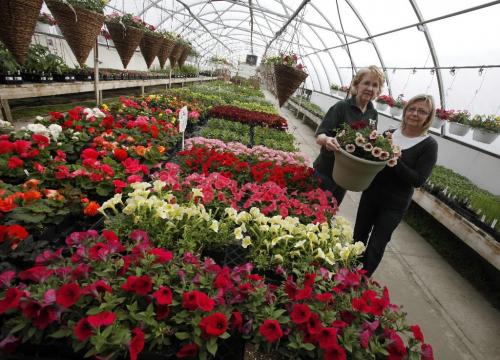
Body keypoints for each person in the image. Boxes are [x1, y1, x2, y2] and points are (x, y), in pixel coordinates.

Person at [353, 94, 439, 276]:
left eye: (422, 111)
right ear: (406, 111)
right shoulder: (389, 134)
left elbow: (418, 180)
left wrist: (394, 159)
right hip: (371, 193)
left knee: (377, 243)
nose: (415, 114)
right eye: (412, 109)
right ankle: (346, 271)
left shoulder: (428, 145)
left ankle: (360, 282)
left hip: (394, 204)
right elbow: (371, 160)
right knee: (358, 236)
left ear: (428, 117)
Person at [313, 65, 385, 205]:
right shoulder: (341, 107)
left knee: (330, 212)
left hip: (347, 176)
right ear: (357, 84)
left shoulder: (373, 113)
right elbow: (320, 136)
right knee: (312, 210)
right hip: (326, 171)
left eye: (375, 85)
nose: (370, 88)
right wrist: (328, 140)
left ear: (378, 91)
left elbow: (369, 142)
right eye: (366, 83)